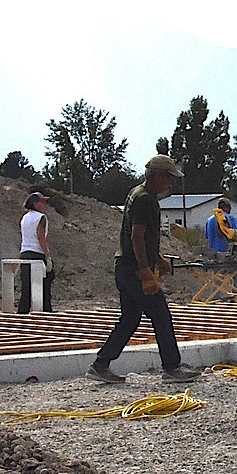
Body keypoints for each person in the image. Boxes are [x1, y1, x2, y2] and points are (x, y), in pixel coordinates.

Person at [87, 155, 200, 384]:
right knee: (161, 316)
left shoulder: (136, 193)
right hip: (134, 269)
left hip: (125, 267)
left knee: (130, 319)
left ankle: (101, 364)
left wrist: (157, 260)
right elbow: (136, 236)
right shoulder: (145, 200)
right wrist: (145, 271)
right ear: (157, 176)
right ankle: (172, 368)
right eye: (168, 179)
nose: (170, 184)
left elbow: (142, 237)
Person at [17, 191, 55, 313]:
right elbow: (41, 237)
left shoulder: (24, 217)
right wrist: (47, 256)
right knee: (44, 285)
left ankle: (22, 313)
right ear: (35, 203)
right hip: (37, 254)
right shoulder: (41, 218)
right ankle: (45, 312)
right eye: (42, 202)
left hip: (24, 253)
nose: (44, 204)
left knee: (26, 287)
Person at [204, 198, 237, 296]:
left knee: (217, 279)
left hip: (213, 255)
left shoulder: (209, 220)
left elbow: (206, 236)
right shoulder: (229, 218)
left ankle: (215, 300)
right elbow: (235, 236)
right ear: (226, 207)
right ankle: (236, 298)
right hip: (227, 255)